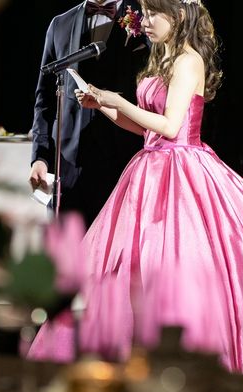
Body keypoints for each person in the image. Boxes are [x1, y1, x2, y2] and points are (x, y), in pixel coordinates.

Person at [27, 0, 243, 374]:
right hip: (149, 165)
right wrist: (103, 106)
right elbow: (146, 129)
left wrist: (118, 99)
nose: (144, 21)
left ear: (177, 15)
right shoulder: (161, 58)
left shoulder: (189, 60)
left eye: (153, 13)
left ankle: (186, 355)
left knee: (178, 256)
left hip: (182, 169)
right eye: (145, 12)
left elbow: (171, 127)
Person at [29, 0, 150, 227]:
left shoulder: (147, 21)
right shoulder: (60, 24)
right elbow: (44, 100)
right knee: (66, 245)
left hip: (123, 161)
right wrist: (40, 157)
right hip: (68, 166)